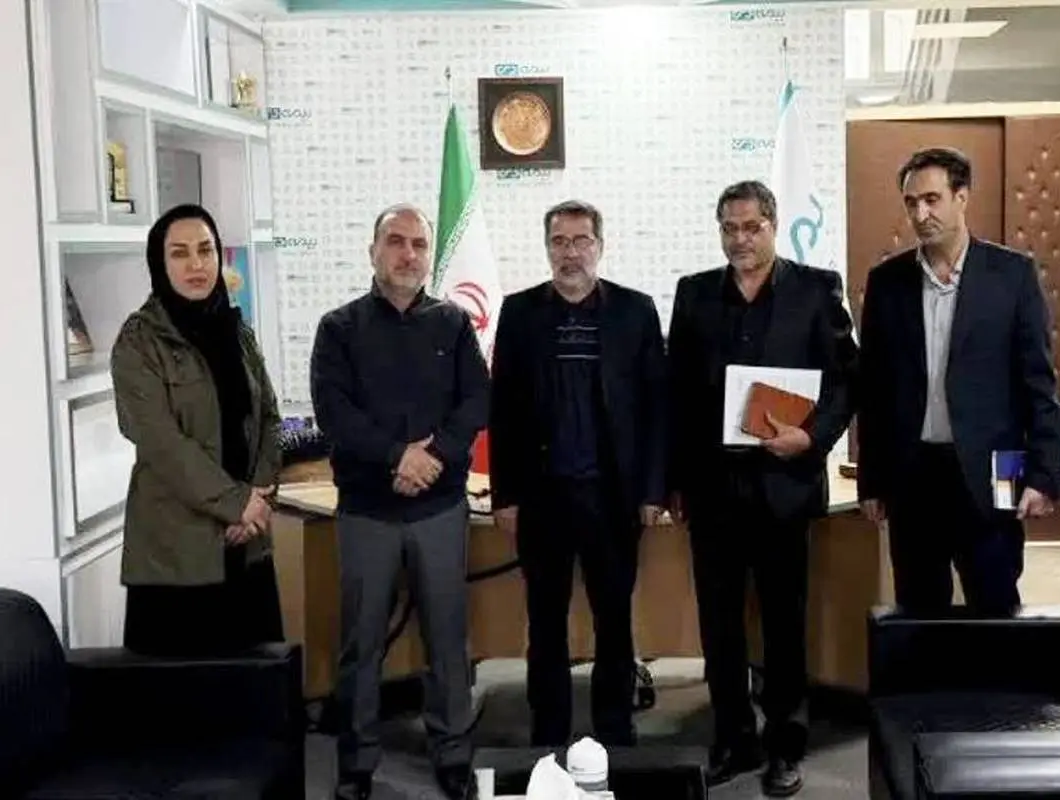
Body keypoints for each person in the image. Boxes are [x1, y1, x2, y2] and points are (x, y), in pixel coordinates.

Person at [667, 181, 856, 797]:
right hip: (713, 490)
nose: (740, 240)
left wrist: (813, 437)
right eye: (729, 228)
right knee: (719, 626)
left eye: (751, 227)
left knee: (783, 623)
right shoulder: (695, 294)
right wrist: (673, 480)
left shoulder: (816, 289)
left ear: (774, 225)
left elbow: (847, 382)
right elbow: (677, 394)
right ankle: (733, 738)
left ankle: (785, 745)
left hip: (784, 484)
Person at [311, 204, 489, 800]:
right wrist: (397, 457)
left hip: (439, 507)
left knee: (447, 637)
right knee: (362, 641)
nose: (408, 254)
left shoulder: (453, 324)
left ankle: (453, 753)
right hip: (368, 509)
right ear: (373, 250)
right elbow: (335, 414)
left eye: (418, 244)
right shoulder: (339, 328)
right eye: (395, 241)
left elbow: (476, 400)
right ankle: (357, 761)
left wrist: (431, 457)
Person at [856, 147, 1060, 616]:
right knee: (919, 608)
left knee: (995, 602)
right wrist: (871, 480)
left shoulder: (1011, 275)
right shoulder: (888, 283)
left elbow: (1039, 384)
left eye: (932, 199)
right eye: (911, 202)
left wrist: (1044, 475)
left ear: (962, 197)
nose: (920, 214)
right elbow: (874, 392)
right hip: (913, 473)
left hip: (996, 470)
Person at [489, 200, 667, 748]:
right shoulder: (519, 313)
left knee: (614, 619)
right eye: (560, 241)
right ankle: (548, 730)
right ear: (547, 249)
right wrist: (505, 495)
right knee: (545, 622)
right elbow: (503, 410)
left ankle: (615, 729)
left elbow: (656, 407)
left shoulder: (635, 311)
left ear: (600, 246)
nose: (571, 253)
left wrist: (653, 490)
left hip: (612, 497)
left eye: (581, 240)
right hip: (543, 497)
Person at [111, 203, 283, 656]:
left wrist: (259, 498)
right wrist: (237, 504)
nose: (196, 264)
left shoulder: (236, 331)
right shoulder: (139, 342)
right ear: (159, 263)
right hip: (177, 558)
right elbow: (161, 444)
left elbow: (268, 418)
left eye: (206, 250)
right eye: (180, 253)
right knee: (182, 693)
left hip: (246, 546)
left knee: (253, 684)